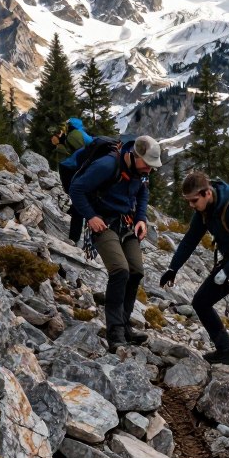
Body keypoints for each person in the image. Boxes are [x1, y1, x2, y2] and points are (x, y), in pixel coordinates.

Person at [159, 171, 229, 389]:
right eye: (188, 201)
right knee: (201, 302)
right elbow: (190, 239)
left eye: (194, 200)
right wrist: (173, 268)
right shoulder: (205, 211)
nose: (191, 205)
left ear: (207, 192)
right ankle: (225, 352)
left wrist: (224, 272)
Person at [70, 135, 162, 351]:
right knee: (120, 270)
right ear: (136, 155)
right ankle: (115, 333)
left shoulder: (141, 171)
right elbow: (77, 189)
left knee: (136, 271)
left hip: (127, 223)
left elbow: (143, 193)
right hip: (103, 223)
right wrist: (91, 216)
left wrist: (141, 218)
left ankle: (124, 325)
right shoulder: (107, 165)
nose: (149, 170)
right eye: (147, 165)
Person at [54, 117, 94, 242]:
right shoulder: (83, 134)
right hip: (78, 168)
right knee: (74, 193)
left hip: (69, 167)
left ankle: (73, 238)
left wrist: (60, 143)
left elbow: (76, 152)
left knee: (73, 193)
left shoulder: (73, 135)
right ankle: (73, 209)